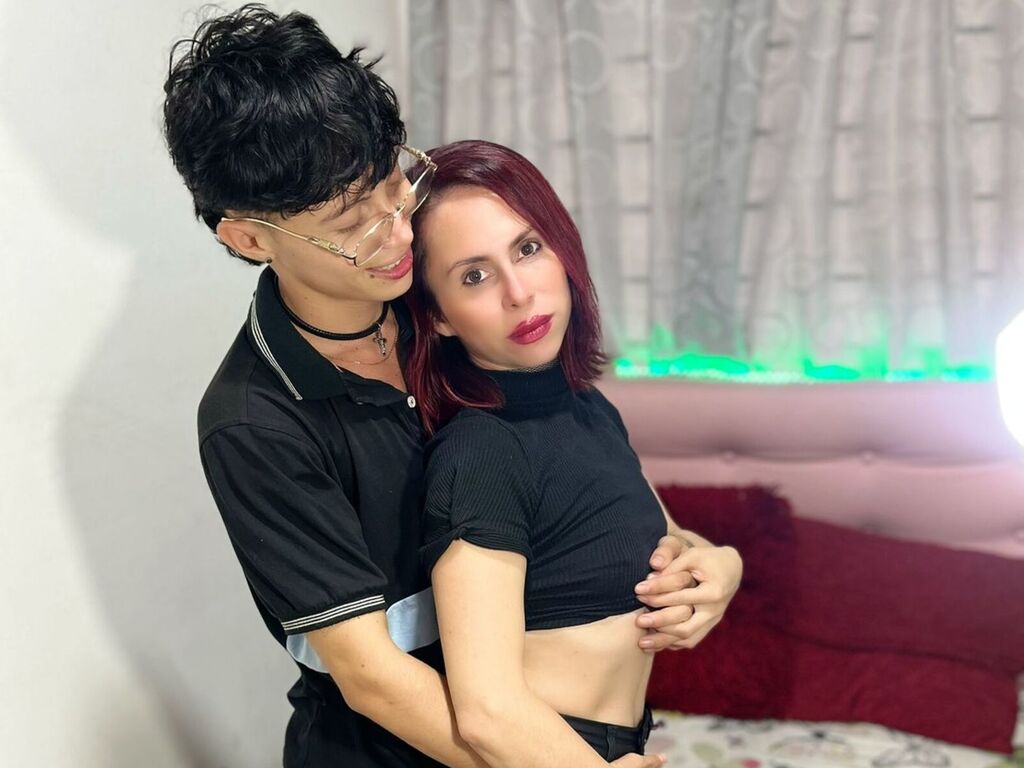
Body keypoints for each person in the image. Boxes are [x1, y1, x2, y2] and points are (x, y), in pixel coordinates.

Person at [162, 5, 742, 767]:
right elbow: (373, 679)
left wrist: (711, 563)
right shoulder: (255, 421)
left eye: (391, 183)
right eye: (352, 223)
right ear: (248, 237)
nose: (397, 231)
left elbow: (592, 487)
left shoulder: (456, 307)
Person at [403, 140, 727, 762]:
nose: (518, 292)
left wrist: (726, 566)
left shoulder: (587, 407)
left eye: (528, 249)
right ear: (438, 316)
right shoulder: (480, 451)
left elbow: (673, 541)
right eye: (474, 276)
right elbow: (487, 711)